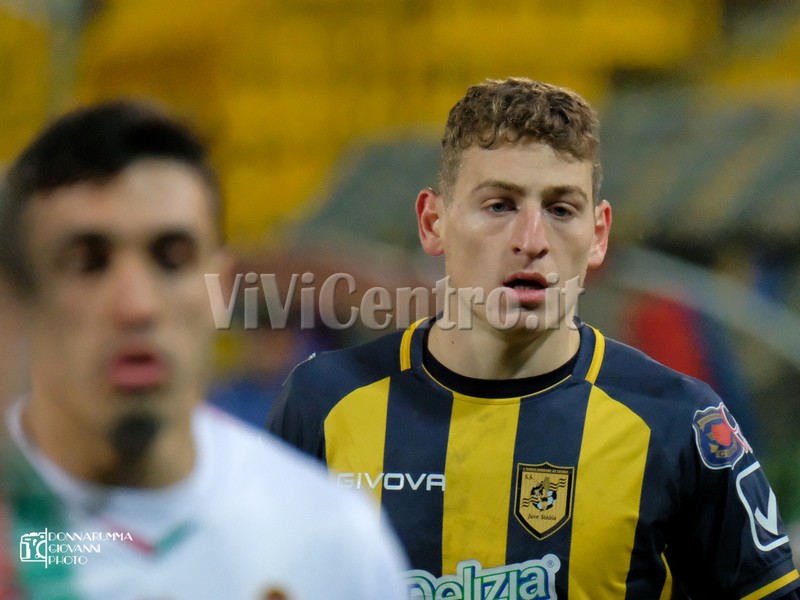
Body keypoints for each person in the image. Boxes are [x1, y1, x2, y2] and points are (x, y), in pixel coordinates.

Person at [267, 78, 800, 598]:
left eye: (561, 209)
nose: (531, 241)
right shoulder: (323, 405)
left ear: (598, 235)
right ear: (433, 223)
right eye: (499, 205)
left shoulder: (678, 424)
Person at [0, 100, 410, 599]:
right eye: (87, 261)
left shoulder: (327, 538)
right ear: (19, 297)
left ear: (220, 287)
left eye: (172, 258)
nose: (137, 305)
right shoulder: (19, 535)